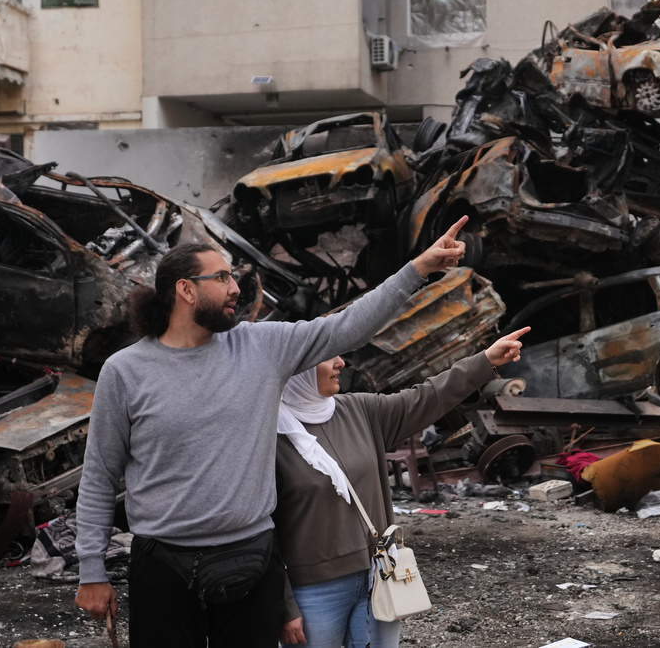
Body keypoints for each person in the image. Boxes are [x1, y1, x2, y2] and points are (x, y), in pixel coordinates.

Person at [73, 217, 469, 648]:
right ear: (185, 290)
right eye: (221, 277)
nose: (235, 288)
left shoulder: (260, 346)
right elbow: (99, 476)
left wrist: (418, 270)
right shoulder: (125, 372)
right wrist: (91, 571)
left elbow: (347, 327)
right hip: (163, 564)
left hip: (250, 558)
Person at [275, 326, 531, 648]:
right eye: (327, 356)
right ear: (296, 368)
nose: (341, 362)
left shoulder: (359, 411)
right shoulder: (268, 438)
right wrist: (283, 605)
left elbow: (428, 396)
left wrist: (484, 361)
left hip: (380, 575)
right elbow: (261, 532)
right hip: (313, 592)